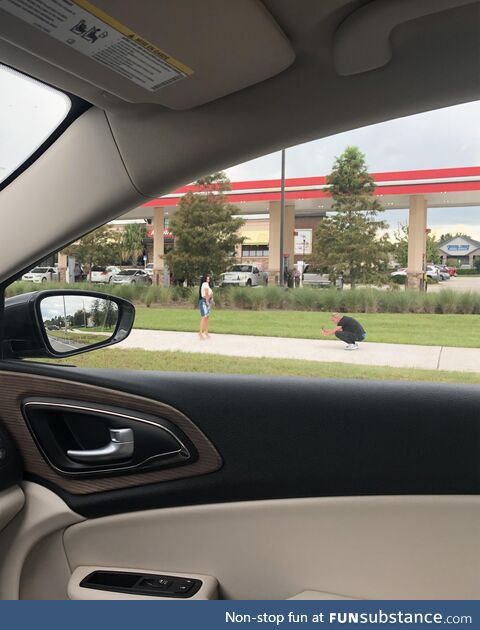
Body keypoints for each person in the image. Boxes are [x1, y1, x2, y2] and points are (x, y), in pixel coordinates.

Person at [198, 274, 213, 339]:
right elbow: (206, 293)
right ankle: (200, 333)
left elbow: (210, 293)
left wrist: (211, 300)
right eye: (207, 279)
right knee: (204, 317)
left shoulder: (207, 285)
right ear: (204, 279)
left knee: (206, 317)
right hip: (204, 301)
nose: (208, 280)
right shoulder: (205, 284)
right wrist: (207, 302)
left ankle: (206, 332)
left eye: (208, 279)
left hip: (207, 301)